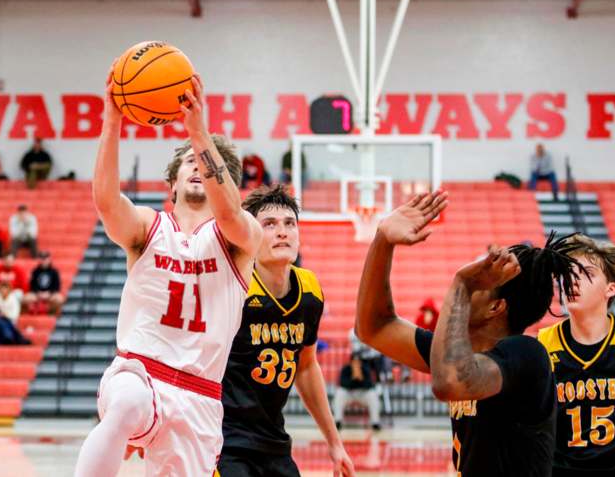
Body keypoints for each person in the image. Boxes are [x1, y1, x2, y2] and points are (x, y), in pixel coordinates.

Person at [74, 70, 262, 477]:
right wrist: (112, 120)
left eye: (204, 163)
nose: (197, 166)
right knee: (126, 404)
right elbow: (107, 203)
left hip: (199, 394)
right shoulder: (148, 228)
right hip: (140, 370)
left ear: (223, 184)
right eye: (188, 163)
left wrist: (199, 134)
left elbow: (229, 212)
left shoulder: (241, 236)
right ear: (171, 184)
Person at [355, 191, 586, 477]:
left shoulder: (527, 356)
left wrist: (462, 285)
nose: (470, 275)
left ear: (495, 307)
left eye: (481, 280)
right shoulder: (461, 352)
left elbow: (450, 383)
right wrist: (383, 240)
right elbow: (373, 328)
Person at [218, 184, 353, 477]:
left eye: (290, 223)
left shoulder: (310, 289)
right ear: (250, 235)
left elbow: (305, 367)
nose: (283, 232)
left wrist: (334, 442)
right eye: (269, 224)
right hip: (224, 442)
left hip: (274, 441)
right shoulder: (233, 287)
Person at [537, 235, 615, 476]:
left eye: (586, 273)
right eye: (568, 274)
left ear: (610, 289)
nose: (572, 282)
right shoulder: (543, 344)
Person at [333, 328, 383, 432]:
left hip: (363, 394)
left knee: (373, 396)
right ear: (351, 362)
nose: (356, 363)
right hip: (349, 393)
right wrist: (354, 379)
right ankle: (338, 421)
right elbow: (342, 384)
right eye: (354, 362)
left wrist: (360, 379)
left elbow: (369, 385)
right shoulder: (346, 369)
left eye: (358, 362)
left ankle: (375, 423)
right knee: (339, 395)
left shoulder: (366, 369)